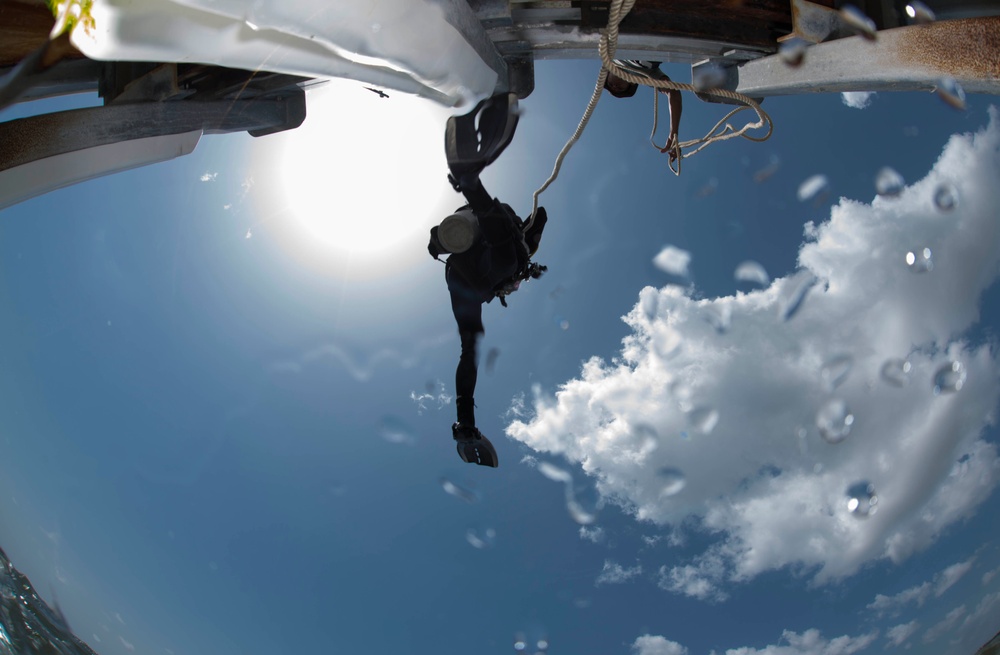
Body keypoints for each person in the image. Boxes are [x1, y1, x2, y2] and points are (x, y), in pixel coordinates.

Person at [428, 93, 548, 468]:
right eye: (515, 288)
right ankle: (469, 181)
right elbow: (535, 223)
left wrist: (467, 423)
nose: (514, 289)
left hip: (464, 276)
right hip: (472, 267)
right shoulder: (515, 252)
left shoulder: (508, 260)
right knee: (510, 255)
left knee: (472, 347)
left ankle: (469, 181)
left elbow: (537, 219)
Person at [604, 60, 683, 163]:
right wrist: (673, 133)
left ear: (608, 72)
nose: (614, 87)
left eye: (610, 84)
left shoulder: (610, 55)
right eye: (619, 88)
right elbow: (672, 92)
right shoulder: (646, 75)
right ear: (631, 83)